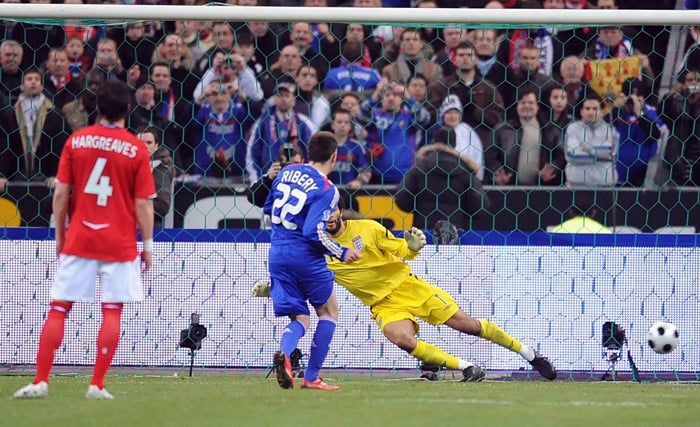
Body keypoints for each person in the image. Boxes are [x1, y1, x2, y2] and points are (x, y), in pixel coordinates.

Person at [254, 199, 557, 382]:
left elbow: (400, 247)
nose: (329, 217)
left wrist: (412, 246)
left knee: (468, 325)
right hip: (383, 305)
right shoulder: (315, 249)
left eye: (332, 211)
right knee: (401, 339)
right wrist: (276, 287)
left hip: (409, 286)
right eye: (323, 213)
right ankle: (466, 368)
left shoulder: (368, 229)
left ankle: (529, 353)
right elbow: (305, 279)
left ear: (341, 212)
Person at [13, 80, 156, 400]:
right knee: (112, 310)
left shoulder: (77, 141)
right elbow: (144, 203)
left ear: (95, 106)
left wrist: (61, 236)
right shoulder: (135, 148)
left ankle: (40, 381)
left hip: (81, 236)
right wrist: (146, 246)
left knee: (60, 307)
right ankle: (97, 384)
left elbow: (61, 193)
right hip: (118, 243)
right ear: (129, 109)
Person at [264, 131, 362, 391]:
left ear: (308, 153)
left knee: (300, 318)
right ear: (334, 157)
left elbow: (268, 209)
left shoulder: (286, 172)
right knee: (329, 311)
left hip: (277, 252)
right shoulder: (327, 189)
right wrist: (341, 252)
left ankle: (285, 354)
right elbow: (312, 231)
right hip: (304, 255)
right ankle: (311, 377)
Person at [394, 127, 490, 232]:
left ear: (434, 141)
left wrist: (418, 209)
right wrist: (464, 213)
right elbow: (481, 206)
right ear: (455, 144)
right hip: (454, 232)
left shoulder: (420, 167)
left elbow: (401, 196)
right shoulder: (465, 171)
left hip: (422, 231)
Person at [137, 125, 173, 228]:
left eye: (148, 143)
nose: (144, 146)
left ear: (156, 146)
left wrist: (134, 203)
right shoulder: (131, 165)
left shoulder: (160, 169)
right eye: (140, 142)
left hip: (152, 229)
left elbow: (162, 207)